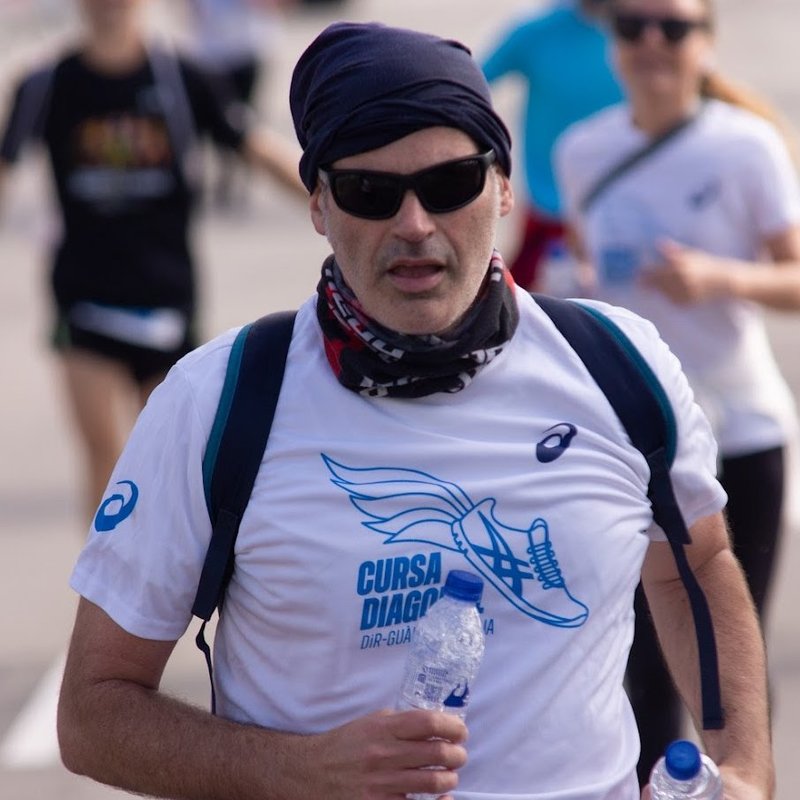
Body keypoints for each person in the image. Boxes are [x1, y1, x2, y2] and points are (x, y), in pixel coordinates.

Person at [56, 21, 774, 800]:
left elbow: (697, 562)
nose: (414, 225)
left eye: (450, 184)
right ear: (318, 204)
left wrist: (743, 766)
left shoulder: (619, 364)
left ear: (503, 187)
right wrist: (294, 770)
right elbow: (93, 714)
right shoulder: (218, 399)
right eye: (370, 193)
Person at [554, 0, 800, 786]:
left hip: (740, 430)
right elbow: (590, 266)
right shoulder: (581, 150)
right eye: (633, 26)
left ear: (707, 43)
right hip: (631, 436)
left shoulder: (746, 145)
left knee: (732, 663)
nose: (652, 41)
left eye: (674, 26)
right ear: (612, 44)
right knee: (641, 663)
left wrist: (718, 277)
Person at [0, 0, 306, 522]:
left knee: (170, 466)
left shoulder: (182, 76)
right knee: (106, 458)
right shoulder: (45, 83)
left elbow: (255, 148)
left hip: (167, 298)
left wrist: (335, 201)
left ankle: (162, 570)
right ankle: (103, 571)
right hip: (84, 299)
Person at [481, 0, 623, 291]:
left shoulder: (648, 33)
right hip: (550, 214)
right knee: (515, 307)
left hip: (630, 213)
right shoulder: (536, 32)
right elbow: (469, 84)